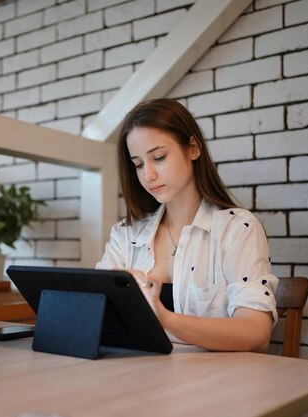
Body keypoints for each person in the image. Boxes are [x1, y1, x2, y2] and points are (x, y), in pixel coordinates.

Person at [96, 98, 278, 353]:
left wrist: (165, 318)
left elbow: (256, 332)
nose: (148, 175)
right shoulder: (125, 235)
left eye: (158, 157)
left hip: (214, 383)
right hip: (138, 378)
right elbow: (94, 311)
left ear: (193, 148)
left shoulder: (237, 229)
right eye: (138, 164)